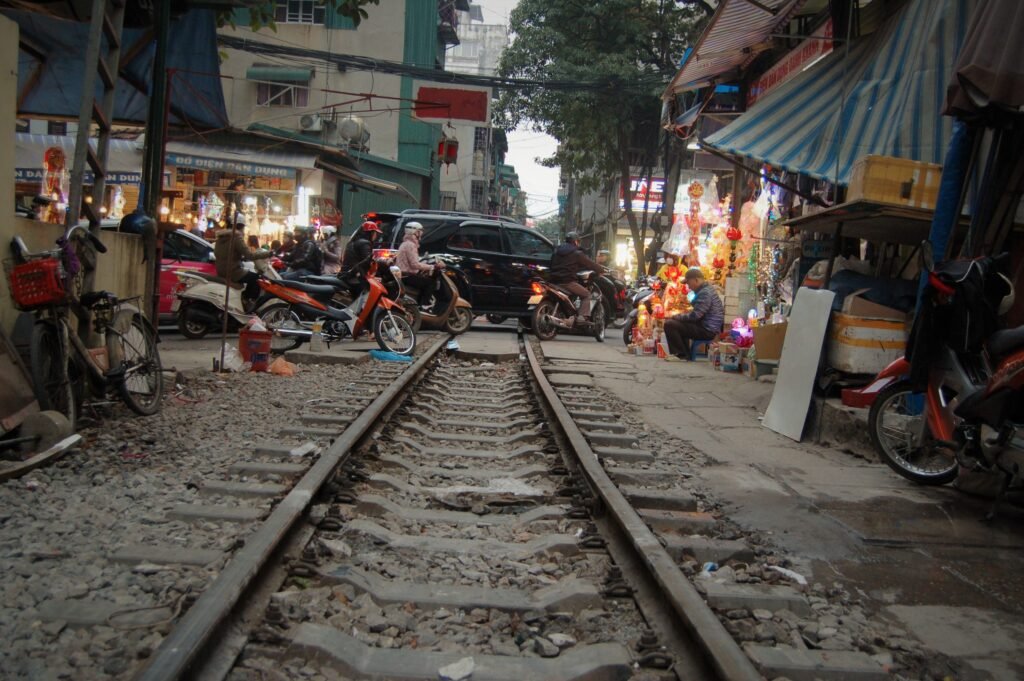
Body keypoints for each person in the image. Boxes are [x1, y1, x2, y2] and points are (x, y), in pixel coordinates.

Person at [663, 267, 724, 359]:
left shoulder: (705, 293)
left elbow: (695, 316)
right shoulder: (706, 290)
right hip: (708, 327)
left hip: (707, 330)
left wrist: (676, 317)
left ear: (696, 280)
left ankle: (680, 354)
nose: (688, 286)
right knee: (679, 323)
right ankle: (684, 354)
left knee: (670, 324)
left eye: (688, 283)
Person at [214, 213, 269, 304]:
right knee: (256, 278)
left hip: (221, 270)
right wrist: (268, 254)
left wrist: (240, 257)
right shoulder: (236, 237)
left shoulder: (221, 238)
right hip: (233, 271)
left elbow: (228, 253)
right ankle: (247, 300)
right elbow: (250, 255)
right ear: (240, 227)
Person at [548, 231, 602, 319]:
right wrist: (601, 270)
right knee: (587, 295)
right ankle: (581, 317)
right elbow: (590, 264)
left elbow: (551, 264)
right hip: (567, 282)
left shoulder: (556, 251)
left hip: (553, 281)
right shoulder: (577, 253)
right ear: (576, 241)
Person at [395, 222, 442, 309]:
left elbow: (412, 260)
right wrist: (432, 267)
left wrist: (424, 262)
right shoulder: (411, 245)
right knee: (430, 283)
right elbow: (414, 264)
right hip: (407, 275)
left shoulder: (405, 243)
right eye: (420, 231)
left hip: (403, 274)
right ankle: (423, 305)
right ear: (415, 232)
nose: (421, 233)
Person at [339, 220, 382, 296]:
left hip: (346, 274)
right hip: (354, 276)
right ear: (370, 233)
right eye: (375, 233)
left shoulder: (353, 241)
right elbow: (368, 259)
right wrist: (383, 263)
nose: (376, 236)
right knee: (366, 295)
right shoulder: (364, 243)